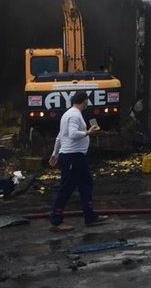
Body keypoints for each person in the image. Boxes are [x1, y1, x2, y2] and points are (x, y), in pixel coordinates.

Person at [49, 91, 108, 231]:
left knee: (86, 184)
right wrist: (89, 132)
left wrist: (54, 154)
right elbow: (72, 134)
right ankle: (56, 221)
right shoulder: (74, 115)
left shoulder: (68, 114)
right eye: (87, 100)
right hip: (72, 157)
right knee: (66, 188)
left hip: (76, 156)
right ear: (84, 101)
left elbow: (59, 137)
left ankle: (90, 216)